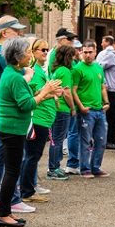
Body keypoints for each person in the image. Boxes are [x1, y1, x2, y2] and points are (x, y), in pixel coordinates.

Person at [0, 38, 60, 227]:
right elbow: (27, 104)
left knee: (12, 171)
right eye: (27, 52)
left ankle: (6, 211)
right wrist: (45, 90)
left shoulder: (13, 73)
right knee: (12, 172)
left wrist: (47, 93)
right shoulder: (14, 77)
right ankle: (3, 214)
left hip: (12, 128)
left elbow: (25, 98)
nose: (30, 55)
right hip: (12, 129)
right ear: (17, 56)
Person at [0, 15, 36, 214]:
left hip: (1, 104)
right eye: (16, 30)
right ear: (4, 32)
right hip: (6, 107)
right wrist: (27, 75)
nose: (20, 33)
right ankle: (8, 198)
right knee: (9, 157)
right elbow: (17, 80)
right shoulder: (3, 54)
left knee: (1, 153)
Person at [20, 38, 58, 202]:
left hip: (44, 119)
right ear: (33, 52)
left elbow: (42, 94)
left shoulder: (43, 70)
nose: (45, 52)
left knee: (33, 155)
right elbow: (33, 96)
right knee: (32, 155)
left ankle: (29, 188)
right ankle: (27, 192)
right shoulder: (33, 71)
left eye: (47, 50)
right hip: (38, 119)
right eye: (42, 49)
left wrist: (54, 93)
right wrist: (47, 91)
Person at [72, 40, 110, 178]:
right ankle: (85, 168)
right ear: (81, 52)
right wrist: (81, 107)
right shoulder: (77, 69)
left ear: (95, 52)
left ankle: (96, 167)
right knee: (85, 140)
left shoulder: (98, 68)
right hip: (86, 111)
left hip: (99, 110)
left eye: (90, 52)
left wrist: (106, 102)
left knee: (101, 140)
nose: (87, 55)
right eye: (85, 52)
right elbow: (73, 90)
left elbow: (102, 87)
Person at [47, 45, 77, 180]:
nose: (73, 59)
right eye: (71, 56)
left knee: (55, 138)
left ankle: (54, 166)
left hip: (55, 107)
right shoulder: (65, 71)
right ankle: (54, 168)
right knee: (58, 139)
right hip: (63, 108)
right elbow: (67, 92)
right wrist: (72, 107)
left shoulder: (57, 70)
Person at [98, 36, 115, 149]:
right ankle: (108, 140)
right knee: (110, 117)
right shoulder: (110, 56)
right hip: (110, 91)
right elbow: (99, 67)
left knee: (114, 117)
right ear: (114, 45)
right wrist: (104, 83)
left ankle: (113, 138)